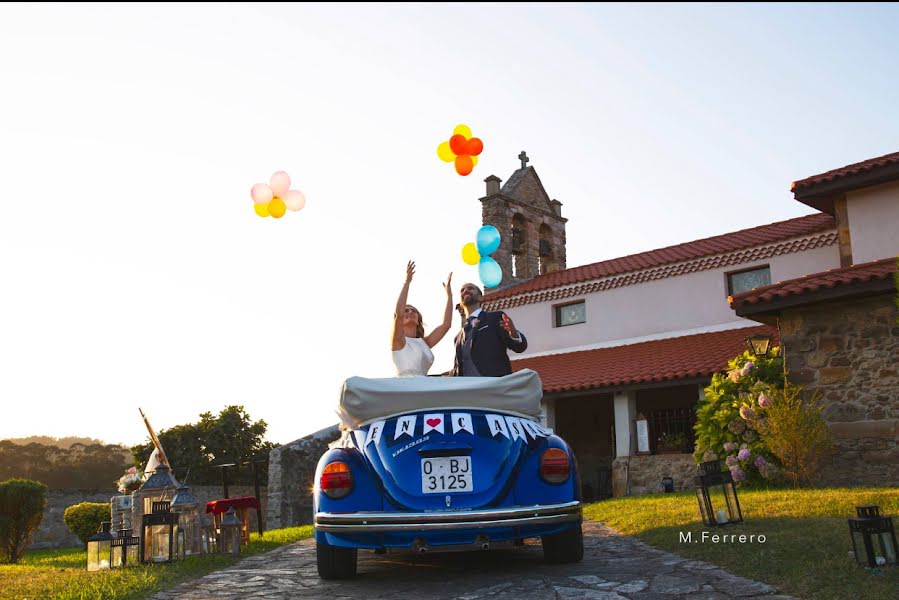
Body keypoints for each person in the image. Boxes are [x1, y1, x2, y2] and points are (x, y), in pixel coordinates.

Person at [391, 261, 453, 376]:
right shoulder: (398, 340)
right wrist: (407, 282)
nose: (410, 312)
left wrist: (449, 296)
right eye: (406, 310)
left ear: (418, 320)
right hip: (405, 386)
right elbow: (398, 315)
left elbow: (446, 325)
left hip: (423, 385)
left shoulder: (425, 342)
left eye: (414, 311)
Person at [453, 282, 527, 376]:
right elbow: (458, 369)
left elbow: (520, 347)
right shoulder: (458, 338)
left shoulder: (495, 318)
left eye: (470, 288)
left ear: (480, 298)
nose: (466, 291)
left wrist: (513, 334)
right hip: (468, 388)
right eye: (462, 290)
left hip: (494, 384)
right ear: (460, 302)